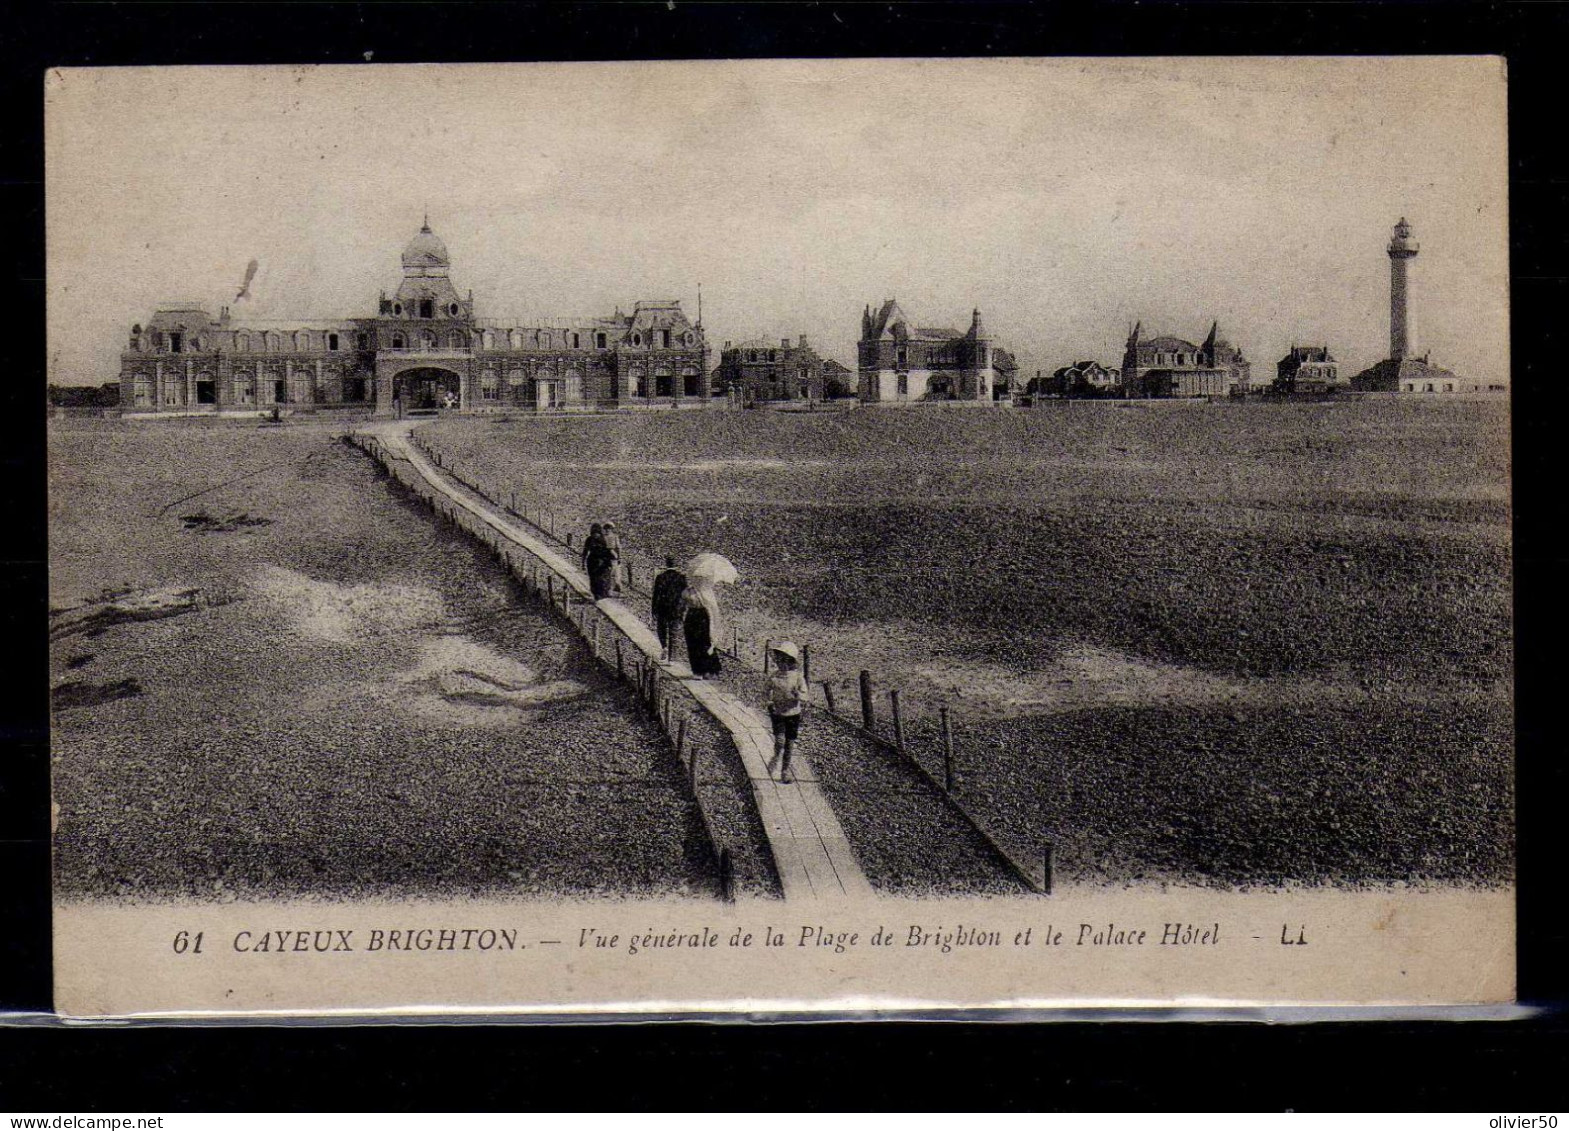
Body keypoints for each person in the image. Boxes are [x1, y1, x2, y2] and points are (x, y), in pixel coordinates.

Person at [767, 641, 807, 783]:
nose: (780, 663)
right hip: (778, 713)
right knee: (780, 740)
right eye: (778, 660)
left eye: (784, 660)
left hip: (793, 714)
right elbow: (767, 691)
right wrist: (769, 702)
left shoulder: (797, 677)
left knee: (790, 744)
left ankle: (785, 771)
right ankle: (776, 756)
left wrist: (798, 695)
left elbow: (805, 696)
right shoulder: (774, 676)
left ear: (791, 662)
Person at [681, 577, 724, 678]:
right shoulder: (689, 591)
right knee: (692, 643)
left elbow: (712, 609)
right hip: (692, 616)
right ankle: (698, 671)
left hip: (703, 617)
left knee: (704, 642)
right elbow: (684, 598)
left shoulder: (706, 592)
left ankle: (709, 670)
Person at [651, 555, 687, 661]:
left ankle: (664, 647)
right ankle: (671, 657)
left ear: (666, 564)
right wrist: (683, 608)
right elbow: (684, 595)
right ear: (676, 564)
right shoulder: (681, 577)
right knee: (673, 631)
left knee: (661, 628)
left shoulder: (660, 577)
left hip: (663, 607)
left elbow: (656, 595)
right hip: (676, 609)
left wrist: (654, 610)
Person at [581, 522, 616, 600]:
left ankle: (604, 593)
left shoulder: (605, 539)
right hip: (592, 562)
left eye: (596, 533)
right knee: (593, 579)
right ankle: (596, 594)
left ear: (599, 533)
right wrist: (583, 563)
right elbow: (585, 552)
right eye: (593, 533)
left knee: (603, 578)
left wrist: (613, 559)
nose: (595, 535)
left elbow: (610, 551)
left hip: (603, 561)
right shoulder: (589, 540)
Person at [602, 522, 624, 595]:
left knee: (615, 574)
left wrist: (619, 557)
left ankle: (616, 588)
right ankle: (608, 590)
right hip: (605, 558)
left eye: (609, 528)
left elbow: (618, 548)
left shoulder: (615, 537)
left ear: (611, 529)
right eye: (606, 528)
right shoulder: (603, 537)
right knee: (607, 574)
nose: (607, 530)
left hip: (613, 558)